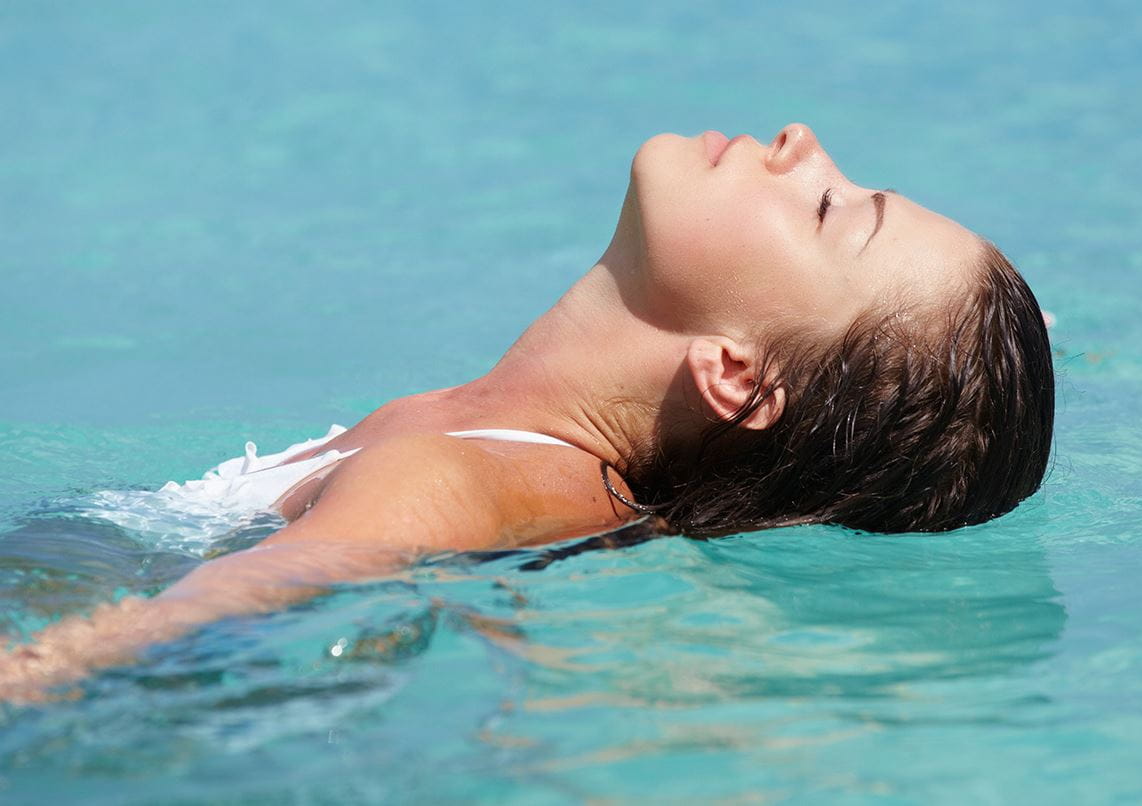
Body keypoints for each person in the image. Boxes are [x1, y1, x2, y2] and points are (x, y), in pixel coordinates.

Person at [0, 123, 1055, 701]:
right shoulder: (511, 460)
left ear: (734, 374)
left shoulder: (454, 478)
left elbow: (224, 605)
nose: (801, 141)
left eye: (828, 209)